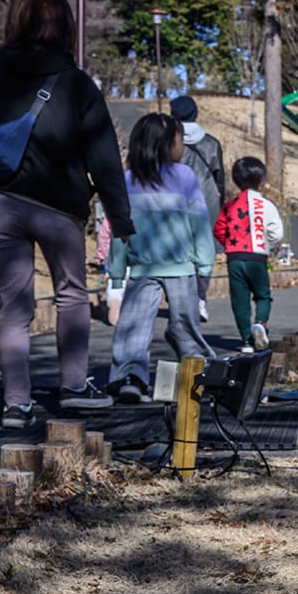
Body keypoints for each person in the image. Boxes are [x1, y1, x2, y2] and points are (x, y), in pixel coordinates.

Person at [0, 0, 129, 425]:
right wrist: (121, 216)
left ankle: (16, 403)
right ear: (64, 26)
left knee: (14, 307)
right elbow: (104, 153)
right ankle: (75, 386)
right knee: (72, 294)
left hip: (1, 203)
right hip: (61, 207)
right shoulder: (76, 82)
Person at [108, 112, 216, 404]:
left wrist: (117, 270)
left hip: (142, 267)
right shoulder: (184, 176)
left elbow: (121, 231)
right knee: (185, 324)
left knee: (134, 324)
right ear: (167, 143)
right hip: (181, 267)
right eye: (179, 139)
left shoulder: (127, 180)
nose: (182, 146)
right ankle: (201, 372)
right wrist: (205, 262)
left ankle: (130, 377)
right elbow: (199, 222)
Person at [212, 156, 283, 353]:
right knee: (263, 295)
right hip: (257, 256)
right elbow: (277, 232)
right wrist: (267, 243)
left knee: (239, 299)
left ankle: (245, 340)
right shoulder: (266, 205)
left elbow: (218, 229)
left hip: (234, 257)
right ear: (261, 180)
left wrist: (228, 243)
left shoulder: (229, 206)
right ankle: (260, 323)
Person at [169, 95, 225, 322]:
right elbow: (219, 176)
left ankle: (181, 300)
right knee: (205, 252)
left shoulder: (168, 141)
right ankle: (200, 299)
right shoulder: (211, 143)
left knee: (179, 249)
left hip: (176, 198)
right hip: (207, 198)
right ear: (196, 114)